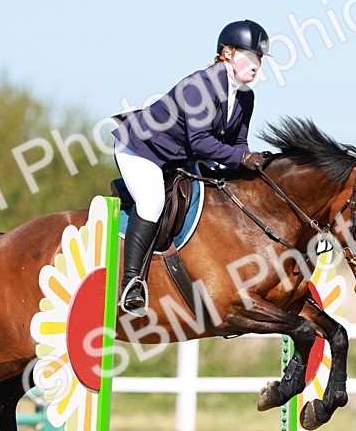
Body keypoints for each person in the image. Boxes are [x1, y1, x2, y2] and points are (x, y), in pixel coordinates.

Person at [112, 19, 270, 315]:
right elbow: (199, 141)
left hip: (178, 158)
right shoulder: (201, 86)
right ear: (228, 53)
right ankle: (131, 283)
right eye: (251, 56)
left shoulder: (246, 97)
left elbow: (239, 144)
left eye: (260, 58)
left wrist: (252, 166)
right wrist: (241, 159)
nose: (257, 64)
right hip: (141, 149)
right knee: (152, 201)